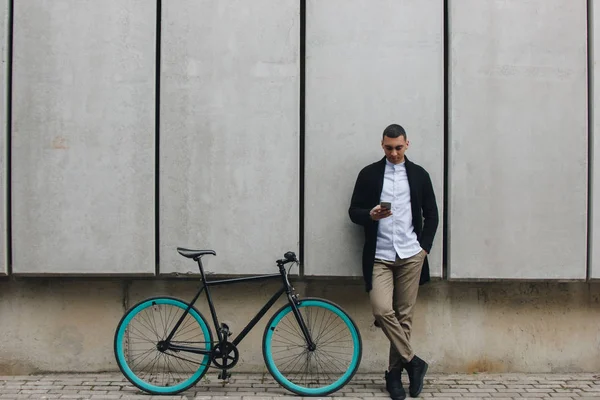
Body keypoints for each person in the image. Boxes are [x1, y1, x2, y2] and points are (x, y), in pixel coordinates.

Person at [348, 124, 439, 399]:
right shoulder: (369, 174)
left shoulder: (419, 175)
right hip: (380, 256)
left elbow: (432, 214)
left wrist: (424, 248)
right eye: (389, 148)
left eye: (399, 147)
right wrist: (370, 215)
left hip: (411, 256)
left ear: (407, 145)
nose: (394, 153)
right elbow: (353, 212)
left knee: (404, 316)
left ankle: (394, 375)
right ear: (382, 145)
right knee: (381, 310)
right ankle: (414, 361)